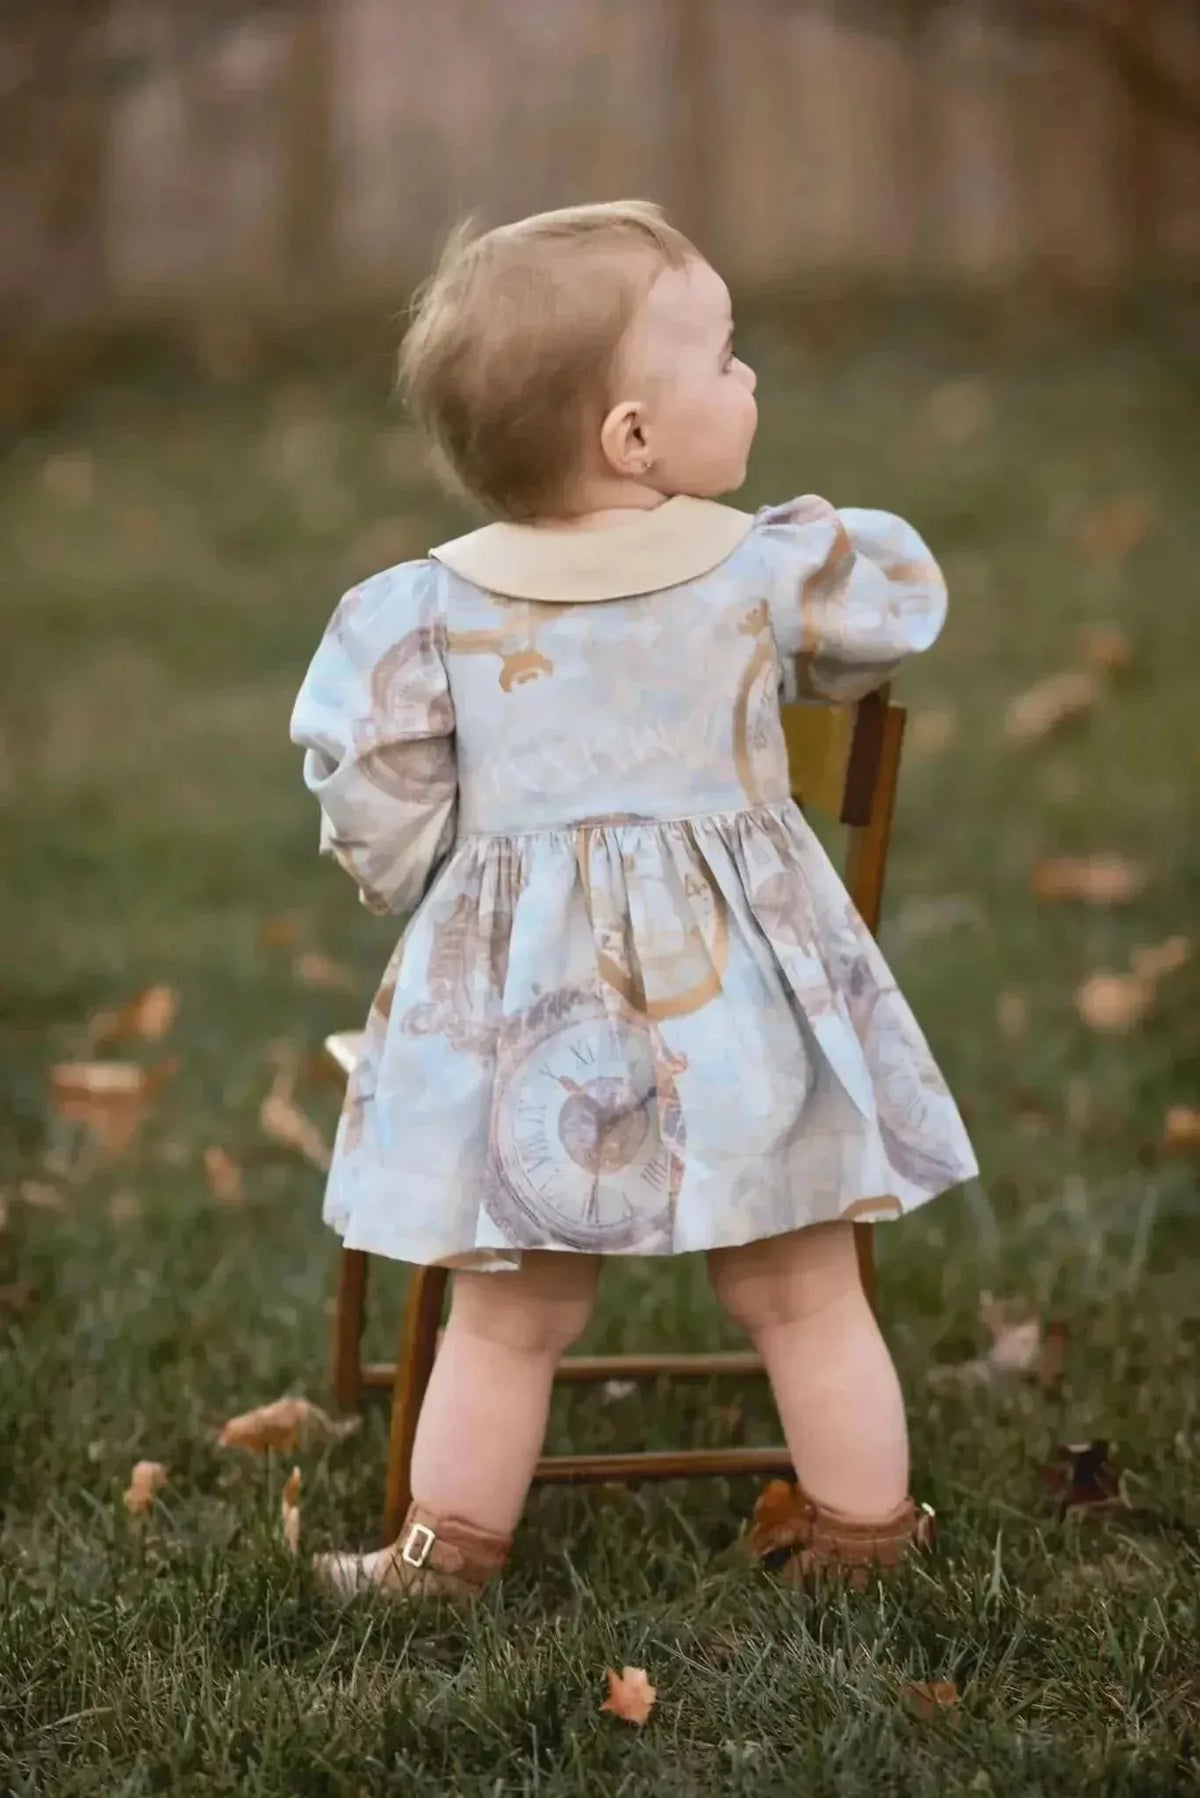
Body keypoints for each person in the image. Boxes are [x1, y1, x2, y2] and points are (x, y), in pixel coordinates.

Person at [290, 200, 977, 1603]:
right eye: (725, 359)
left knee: (508, 1309)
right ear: (633, 441)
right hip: (746, 1019)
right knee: (801, 1284)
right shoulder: (761, 573)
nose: (750, 380)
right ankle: (869, 1532)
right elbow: (887, 618)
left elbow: (374, 794)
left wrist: (421, 883)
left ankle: (445, 1552)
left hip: (533, 1039)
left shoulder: (424, 613)